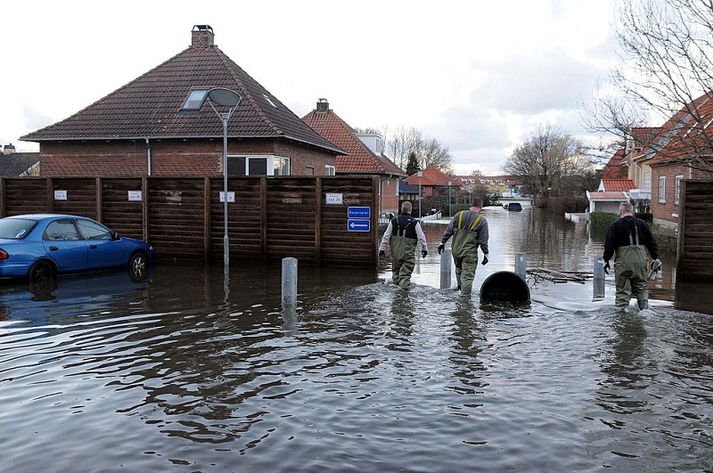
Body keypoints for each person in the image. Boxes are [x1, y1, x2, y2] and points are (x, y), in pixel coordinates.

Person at [603, 201, 660, 310]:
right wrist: (655, 258)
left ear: (621, 211)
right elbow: (652, 244)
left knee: (622, 292)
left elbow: (609, 247)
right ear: (632, 211)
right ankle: (644, 311)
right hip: (641, 261)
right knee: (642, 288)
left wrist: (606, 260)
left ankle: (622, 316)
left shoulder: (615, 226)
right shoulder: (643, 224)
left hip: (623, 263)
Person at [437, 197, 489, 295]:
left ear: (471, 205)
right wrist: (486, 254)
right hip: (469, 253)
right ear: (481, 206)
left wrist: (442, 243)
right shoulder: (482, 221)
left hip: (456, 250)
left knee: (459, 270)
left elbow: (448, 231)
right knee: (467, 276)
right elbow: (483, 241)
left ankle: (459, 290)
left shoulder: (459, 215)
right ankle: (465, 301)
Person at [379, 201, 428, 289]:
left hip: (395, 254)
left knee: (395, 274)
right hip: (408, 255)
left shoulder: (394, 221)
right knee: (405, 276)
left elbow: (386, 236)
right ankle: (403, 297)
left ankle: (395, 297)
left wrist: (382, 249)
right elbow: (421, 237)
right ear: (411, 210)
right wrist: (424, 249)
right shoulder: (415, 222)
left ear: (401, 209)